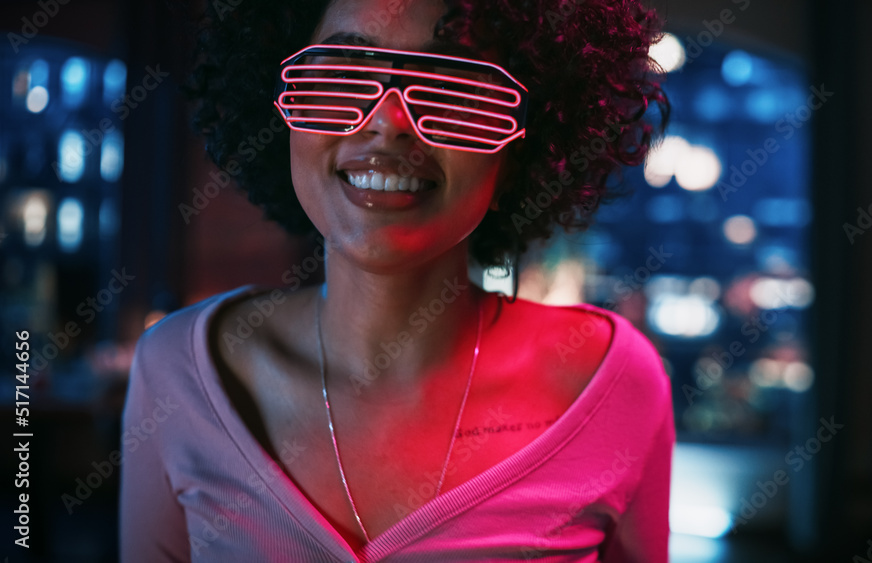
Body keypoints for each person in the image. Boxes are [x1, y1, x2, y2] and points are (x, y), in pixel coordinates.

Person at [120, 0, 675, 561]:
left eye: (451, 85)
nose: (387, 122)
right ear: (277, 111)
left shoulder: (615, 384)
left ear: (523, 146)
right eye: (343, 72)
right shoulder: (179, 371)